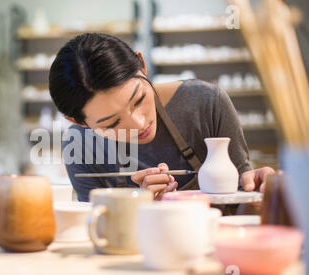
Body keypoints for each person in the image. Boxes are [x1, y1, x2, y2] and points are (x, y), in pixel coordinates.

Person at [48, 33, 275, 202]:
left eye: (138, 100)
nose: (138, 123)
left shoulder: (206, 103)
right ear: (79, 122)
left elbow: (244, 206)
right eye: (112, 123)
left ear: (143, 66)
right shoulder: (81, 145)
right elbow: (99, 233)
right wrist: (141, 207)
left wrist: (263, 189)